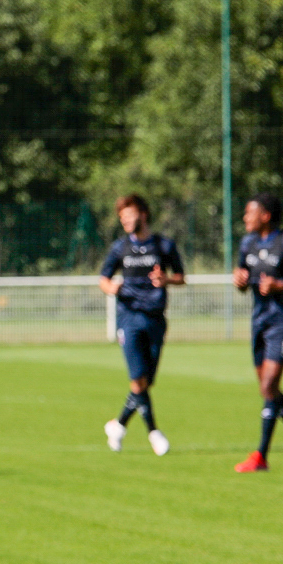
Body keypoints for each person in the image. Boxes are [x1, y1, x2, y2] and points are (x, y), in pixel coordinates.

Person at [230, 193, 283, 473]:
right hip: (259, 322)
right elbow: (243, 279)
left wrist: (282, 286)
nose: (245, 218)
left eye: (249, 212)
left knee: (268, 387)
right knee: (269, 390)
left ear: (265, 215)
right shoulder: (248, 243)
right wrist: (240, 281)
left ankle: (261, 456)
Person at [98, 194, 185, 455]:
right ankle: (154, 433)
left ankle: (118, 425)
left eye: (129, 214)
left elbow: (181, 276)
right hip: (129, 318)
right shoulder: (119, 247)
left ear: (143, 214)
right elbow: (103, 279)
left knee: (145, 383)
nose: (124, 220)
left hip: (156, 319)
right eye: (121, 216)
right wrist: (111, 288)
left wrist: (166, 280)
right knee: (137, 379)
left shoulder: (164, 245)